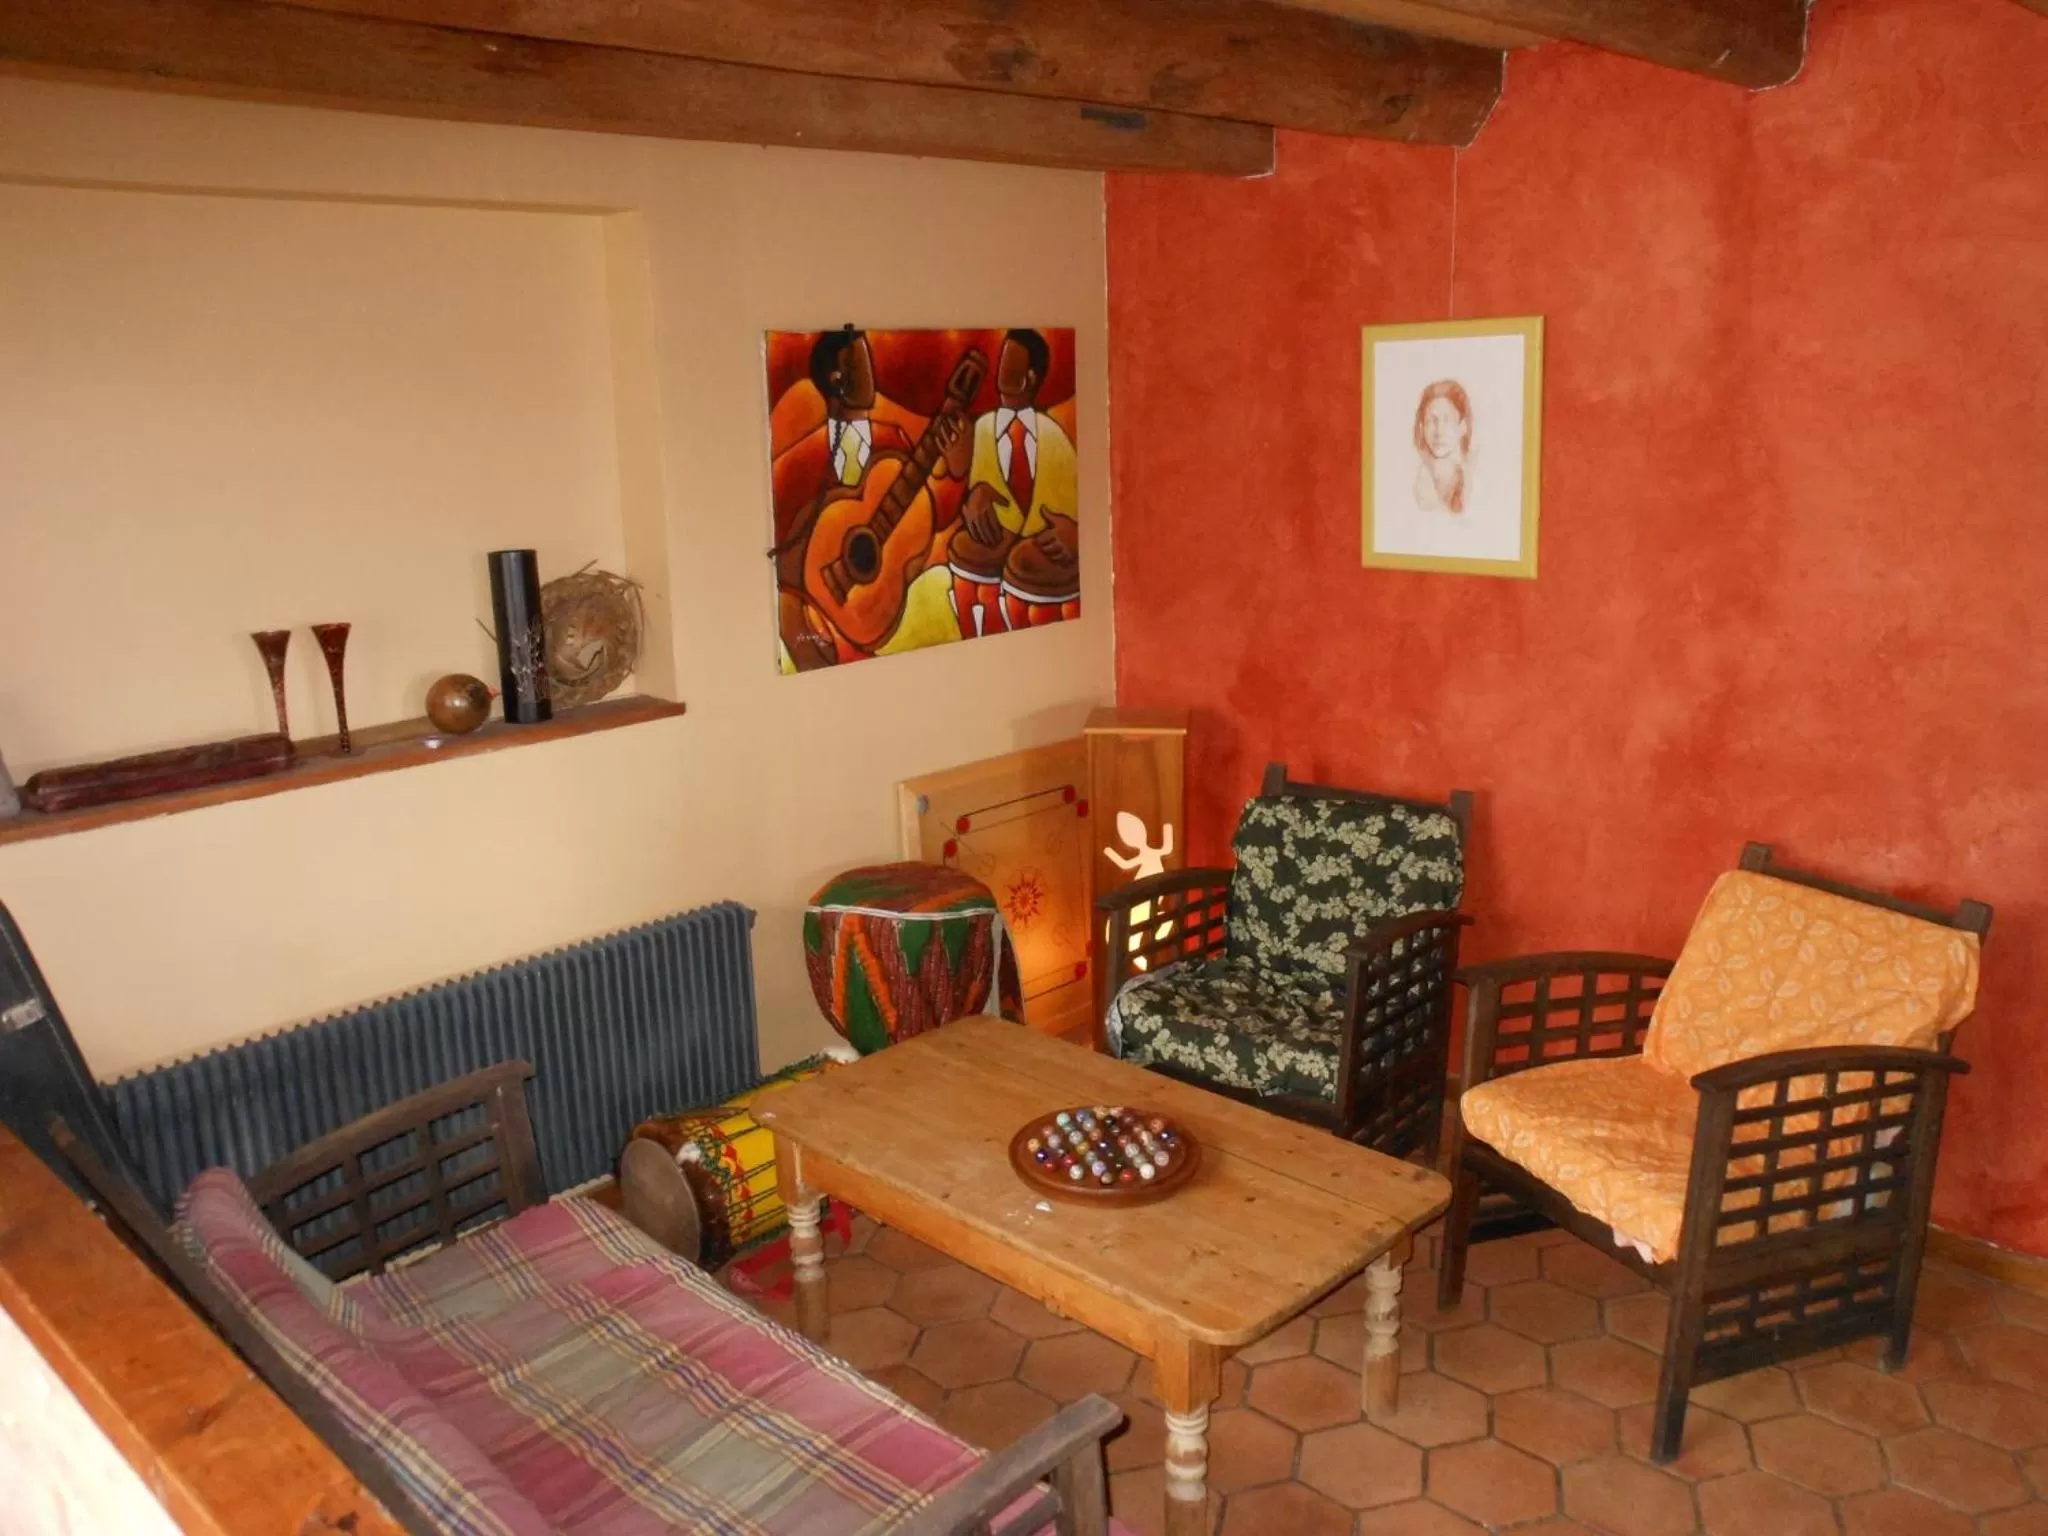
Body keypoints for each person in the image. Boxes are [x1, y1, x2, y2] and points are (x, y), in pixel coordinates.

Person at [771, 327, 969, 668]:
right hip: (816, 618)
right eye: (860, 364)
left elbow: (931, 517)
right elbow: (778, 541)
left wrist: (958, 466)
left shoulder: (894, 443)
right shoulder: (802, 459)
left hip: (888, 624)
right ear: (836, 379)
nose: (872, 374)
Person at [948, 328, 1080, 637]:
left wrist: (1074, 532)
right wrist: (967, 496)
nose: (1002, 371)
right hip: (994, 542)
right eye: (1003, 361)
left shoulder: (1054, 437)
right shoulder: (981, 430)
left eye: (1013, 364)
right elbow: (963, 482)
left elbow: (1076, 501)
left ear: (1031, 378)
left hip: (1038, 548)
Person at [1412, 379, 1474, 515]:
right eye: (1431, 421)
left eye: (1447, 420)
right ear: (1422, 428)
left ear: (1462, 426)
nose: (1439, 431)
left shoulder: (1473, 484)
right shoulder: (1418, 485)